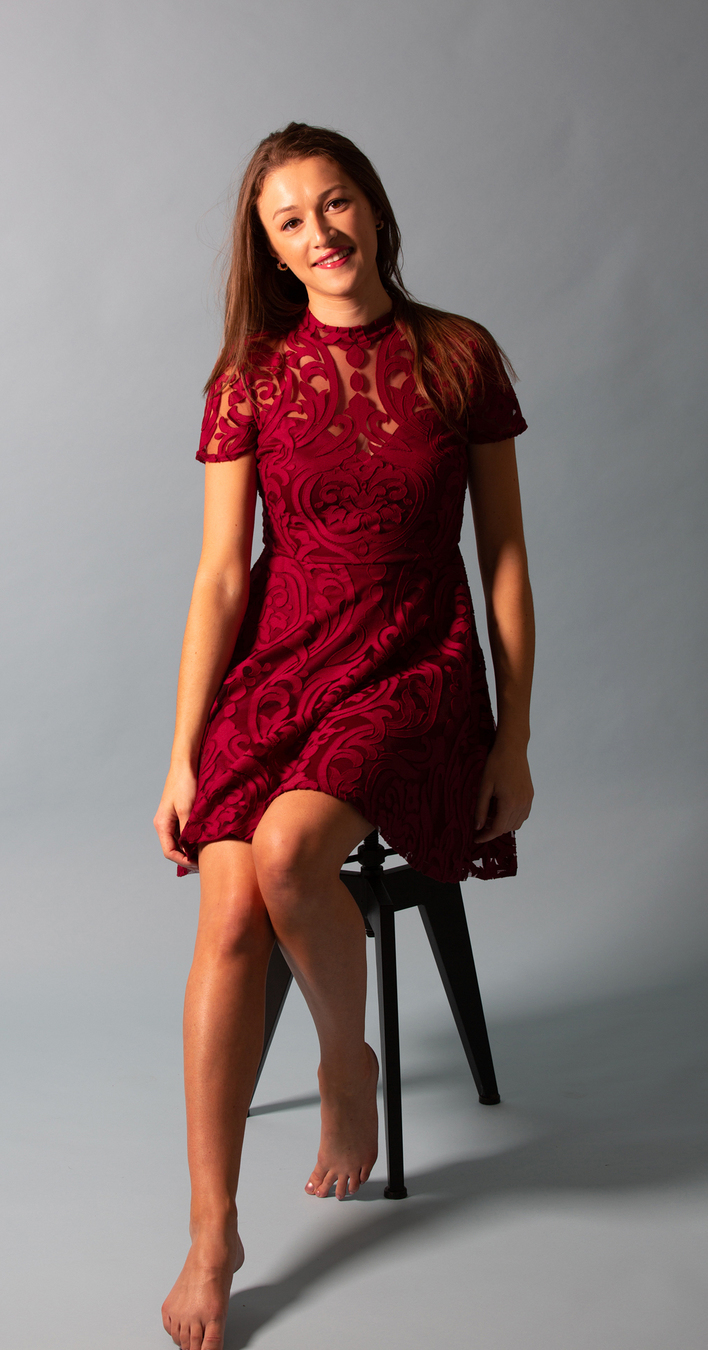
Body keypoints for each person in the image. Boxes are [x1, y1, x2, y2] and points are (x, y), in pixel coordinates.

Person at [153, 121, 535, 1350]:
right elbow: (221, 578)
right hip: (279, 664)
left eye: (335, 203)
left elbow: (505, 559)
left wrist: (515, 737)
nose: (320, 233)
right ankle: (213, 1232)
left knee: (284, 854)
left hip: (414, 662)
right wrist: (181, 752)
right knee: (227, 912)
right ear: (268, 250)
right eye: (290, 221)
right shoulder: (249, 377)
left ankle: (344, 1065)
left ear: (372, 205)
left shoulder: (459, 354)